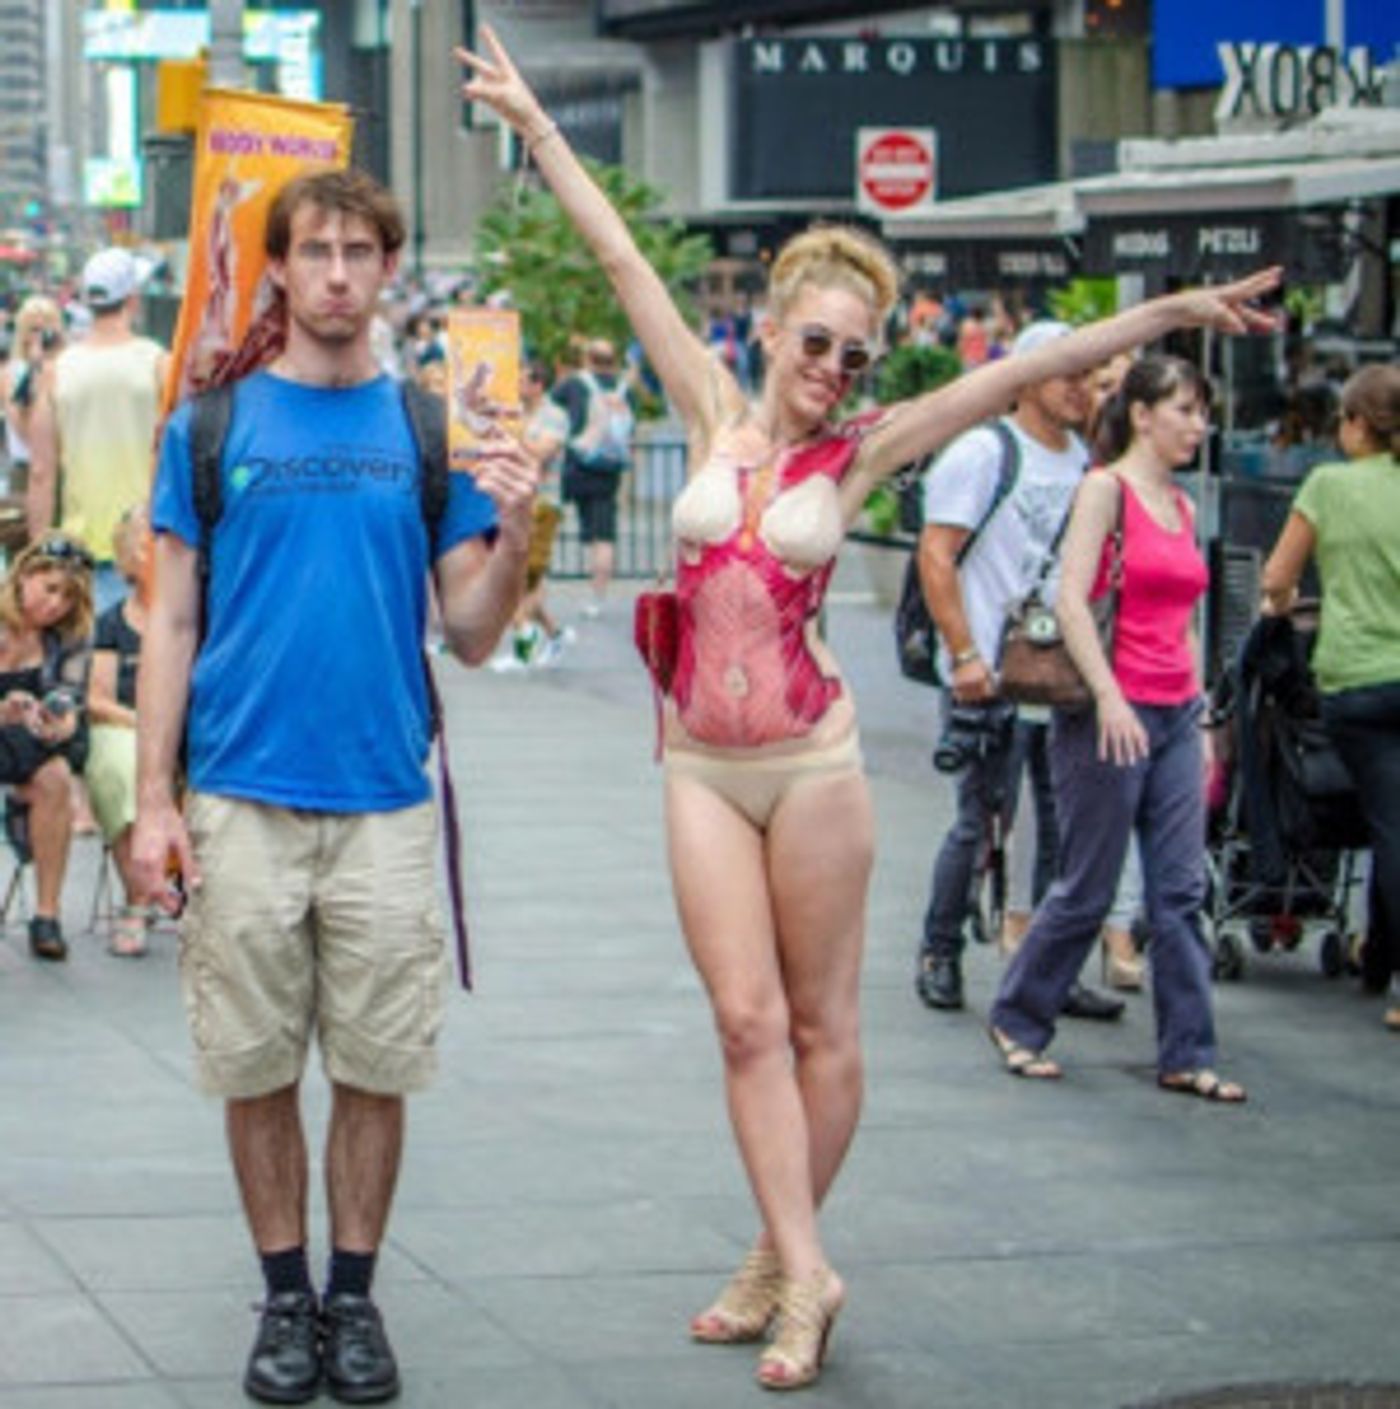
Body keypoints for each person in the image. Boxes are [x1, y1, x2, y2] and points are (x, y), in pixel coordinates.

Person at [459, 23, 1278, 1392]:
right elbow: (617, 257)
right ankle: (801, 1262)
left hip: (815, 760)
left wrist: (1173, 319)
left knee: (822, 1025)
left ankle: (786, 1263)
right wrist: (539, 128)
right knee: (741, 1020)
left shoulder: (868, 446)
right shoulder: (705, 397)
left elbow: (1020, 374)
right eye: (822, 344)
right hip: (701, 764)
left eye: (860, 352)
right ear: (774, 329)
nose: (839, 368)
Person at [131, 168, 538, 1406]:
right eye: (316, 251)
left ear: (387, 270)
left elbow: (469, 631)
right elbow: (170, 622)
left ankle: (351, 1299)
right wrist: (152, 801)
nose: (340, 274)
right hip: (242, 795)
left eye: (362, 251)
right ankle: (282, 1293)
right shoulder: (208, 427)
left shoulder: (431, 428)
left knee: (374, 1062)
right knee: (254, 1063)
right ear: (281, 269)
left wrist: (515, 531)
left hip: (382, 800)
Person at [988, 354, 1247, 1104]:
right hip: (1111, 713)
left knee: (1179, 890)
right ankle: (1019, 1015)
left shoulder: (1184, 505)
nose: (1199, 425)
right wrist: (1107, 697)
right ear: (1142, 414)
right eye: (1186, 409)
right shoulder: (1104, 490)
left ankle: (1188, 1051)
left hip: (1172, 712)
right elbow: (1071, 602)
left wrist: (1199, 716)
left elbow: (1187, 619)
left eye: (1204, 412)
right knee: (1090, 885)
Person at [912, 320, 1122, 1022]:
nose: (1080, 388)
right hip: (987, 673)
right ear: (1025, 377)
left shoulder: (1083, 461)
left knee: (1061, 824)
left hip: (1058, 674)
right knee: (978, 821)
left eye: (1089, 376)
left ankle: (1049, 969)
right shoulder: (985, 452)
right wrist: (965, 654)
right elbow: (936, 554)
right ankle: (940, 950)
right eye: (1068, 373)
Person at [1260, 363, 1400, 1029]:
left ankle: (1392, 971)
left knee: (1390, 822)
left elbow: (1278, 577)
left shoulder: (1329, 484)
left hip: (1358, 675)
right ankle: (1376, 959)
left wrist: (1285, 604)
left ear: (1355, 425)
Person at [26, 248, 170, 612]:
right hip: (148, 549)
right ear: (133, 301)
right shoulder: (158, 363)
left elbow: (41, 473)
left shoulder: (57, 371)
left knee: (82, 665)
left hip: (79, 553)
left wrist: (37, 557)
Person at [0, 532, 94, 961]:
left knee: (55, 777)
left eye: (68, 598)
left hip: (24, 741)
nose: (57, 604)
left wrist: (62, 721)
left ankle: (47, 915)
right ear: (24, 577)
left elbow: (70, 699)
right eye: (50, 589)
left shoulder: (66, 639)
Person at [84, 504, 152, 957]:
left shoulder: (205, 615)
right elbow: (96, 700)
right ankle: (139, 903)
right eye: (141, 545)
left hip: (193, 727)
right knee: (120, 762)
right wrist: (144, 724)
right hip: (124, 724)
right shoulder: (111, 623)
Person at [552, 336, 635, 617]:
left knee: (591, 533)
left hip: (579, 465)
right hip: (610, 467)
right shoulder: (624, 388)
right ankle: (597, 595)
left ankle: (591, 583)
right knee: (604, 534)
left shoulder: (577, 384)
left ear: (589, 358)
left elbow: (553, 402)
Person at [2, 295, 64, 496]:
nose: (41, 336)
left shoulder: (65, 370)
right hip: (25, 469)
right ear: (23, 334)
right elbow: (23, 429)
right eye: (34, 329)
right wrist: (35, 368)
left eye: (47, 329)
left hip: (61, 467)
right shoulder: (10, 373)